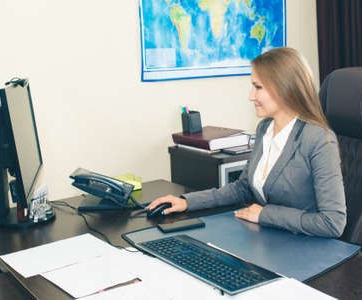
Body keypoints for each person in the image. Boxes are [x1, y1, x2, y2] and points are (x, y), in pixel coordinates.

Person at [148, 47, 347, 238]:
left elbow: (333, 222)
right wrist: (187, 202)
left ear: (285, 88)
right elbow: (243, 188)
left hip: (305, 247)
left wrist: (265, 215)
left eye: (258, 87)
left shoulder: (318, 139)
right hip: (267, 238)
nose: (251, 96)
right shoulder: (264, 129)